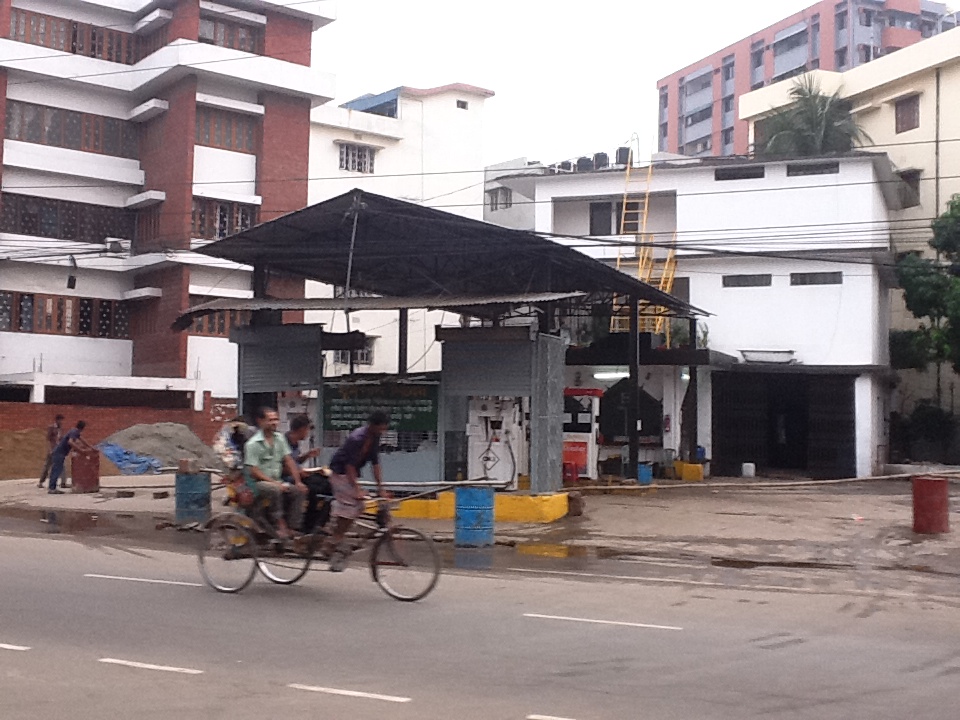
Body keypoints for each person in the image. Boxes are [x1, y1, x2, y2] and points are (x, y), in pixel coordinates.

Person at [320, 410, 390, 570]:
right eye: (380, 428)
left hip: (350, 474)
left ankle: (337, 534)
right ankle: (334, 539)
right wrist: (357, 489)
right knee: (352, 502)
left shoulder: (374, 438)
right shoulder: (357, 438)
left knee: (360, 506)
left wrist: (381, 488)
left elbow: (376, 464)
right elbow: (349, 466)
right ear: (373, 425)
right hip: (339, 472)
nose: (382, 431)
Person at [243, 407, 307, 540]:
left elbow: (289, 460)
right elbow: (253, 471)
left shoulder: (279, 439)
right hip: (257, 484)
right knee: (275, 490)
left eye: (276, 419)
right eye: (270, 420)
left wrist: (298, 481)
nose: (274, 423)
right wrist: (275, 483)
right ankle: (279, 524)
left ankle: (292, 527)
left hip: (276, 480)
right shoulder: (253, 444)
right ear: (260, 421)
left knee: (299, 491)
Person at [282, 414, 332, 534]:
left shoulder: (295, 443)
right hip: (289, 477)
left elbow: (296, 460)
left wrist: (308, 455)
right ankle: (308, 525)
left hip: (299, 474)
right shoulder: (283, 442)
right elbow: (283, 466)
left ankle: (318, 523)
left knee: (329, 485)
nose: (308, 433)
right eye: (307, 429)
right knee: (315, 489)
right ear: (301, 429)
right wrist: (300, 473)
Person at [48, 420, 93, 494]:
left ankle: (52, 487)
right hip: (59, 453)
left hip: (59, 453)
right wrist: (81, 450)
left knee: (57, 469)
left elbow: (82, 440)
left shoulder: (75, 431)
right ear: (83, 428)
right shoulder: (74, 432)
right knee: (56, 470)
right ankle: (52, 488)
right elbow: (70, 442)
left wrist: (91, 447)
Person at [38, 414, 64, 489]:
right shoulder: (51, 427)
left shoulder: (60, 429)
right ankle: (41, 482)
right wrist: (50, 449)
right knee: (47, 466)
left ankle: (63, 482)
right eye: (60, 420)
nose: (61, 422)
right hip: (52, 449)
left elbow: (61, 438)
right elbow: (48, 439)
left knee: (62, 466)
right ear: (57, 420)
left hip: (59, 449)